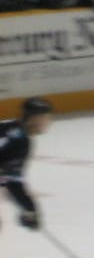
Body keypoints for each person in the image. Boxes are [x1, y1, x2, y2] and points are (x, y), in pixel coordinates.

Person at [1, 99, 53, 250]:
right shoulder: (20, 141)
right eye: (47, 117)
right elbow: (12, 182)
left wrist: (29, 209)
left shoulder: (10, 127)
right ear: (35, 118)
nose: (49, 122)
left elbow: (10, 178)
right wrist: (29, 209)